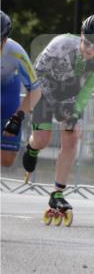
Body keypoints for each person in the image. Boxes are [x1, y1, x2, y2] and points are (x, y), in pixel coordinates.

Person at [22, 14, 94, 220]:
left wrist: (75, 113)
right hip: (43, 88)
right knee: (42, 140)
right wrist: (49, 104)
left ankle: (57, 193)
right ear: (81, 34)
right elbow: (35, 74)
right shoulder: (60, 44)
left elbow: (88, 88)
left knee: (72, 135)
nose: (90, 50)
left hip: (68, 92)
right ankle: (32, 147)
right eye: (87, 43)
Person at [1, 10, 42, 167]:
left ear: (5, 39)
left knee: (7, 161)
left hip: (8, 96)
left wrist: (17, 118)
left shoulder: (15, 51)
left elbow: (36, 89)